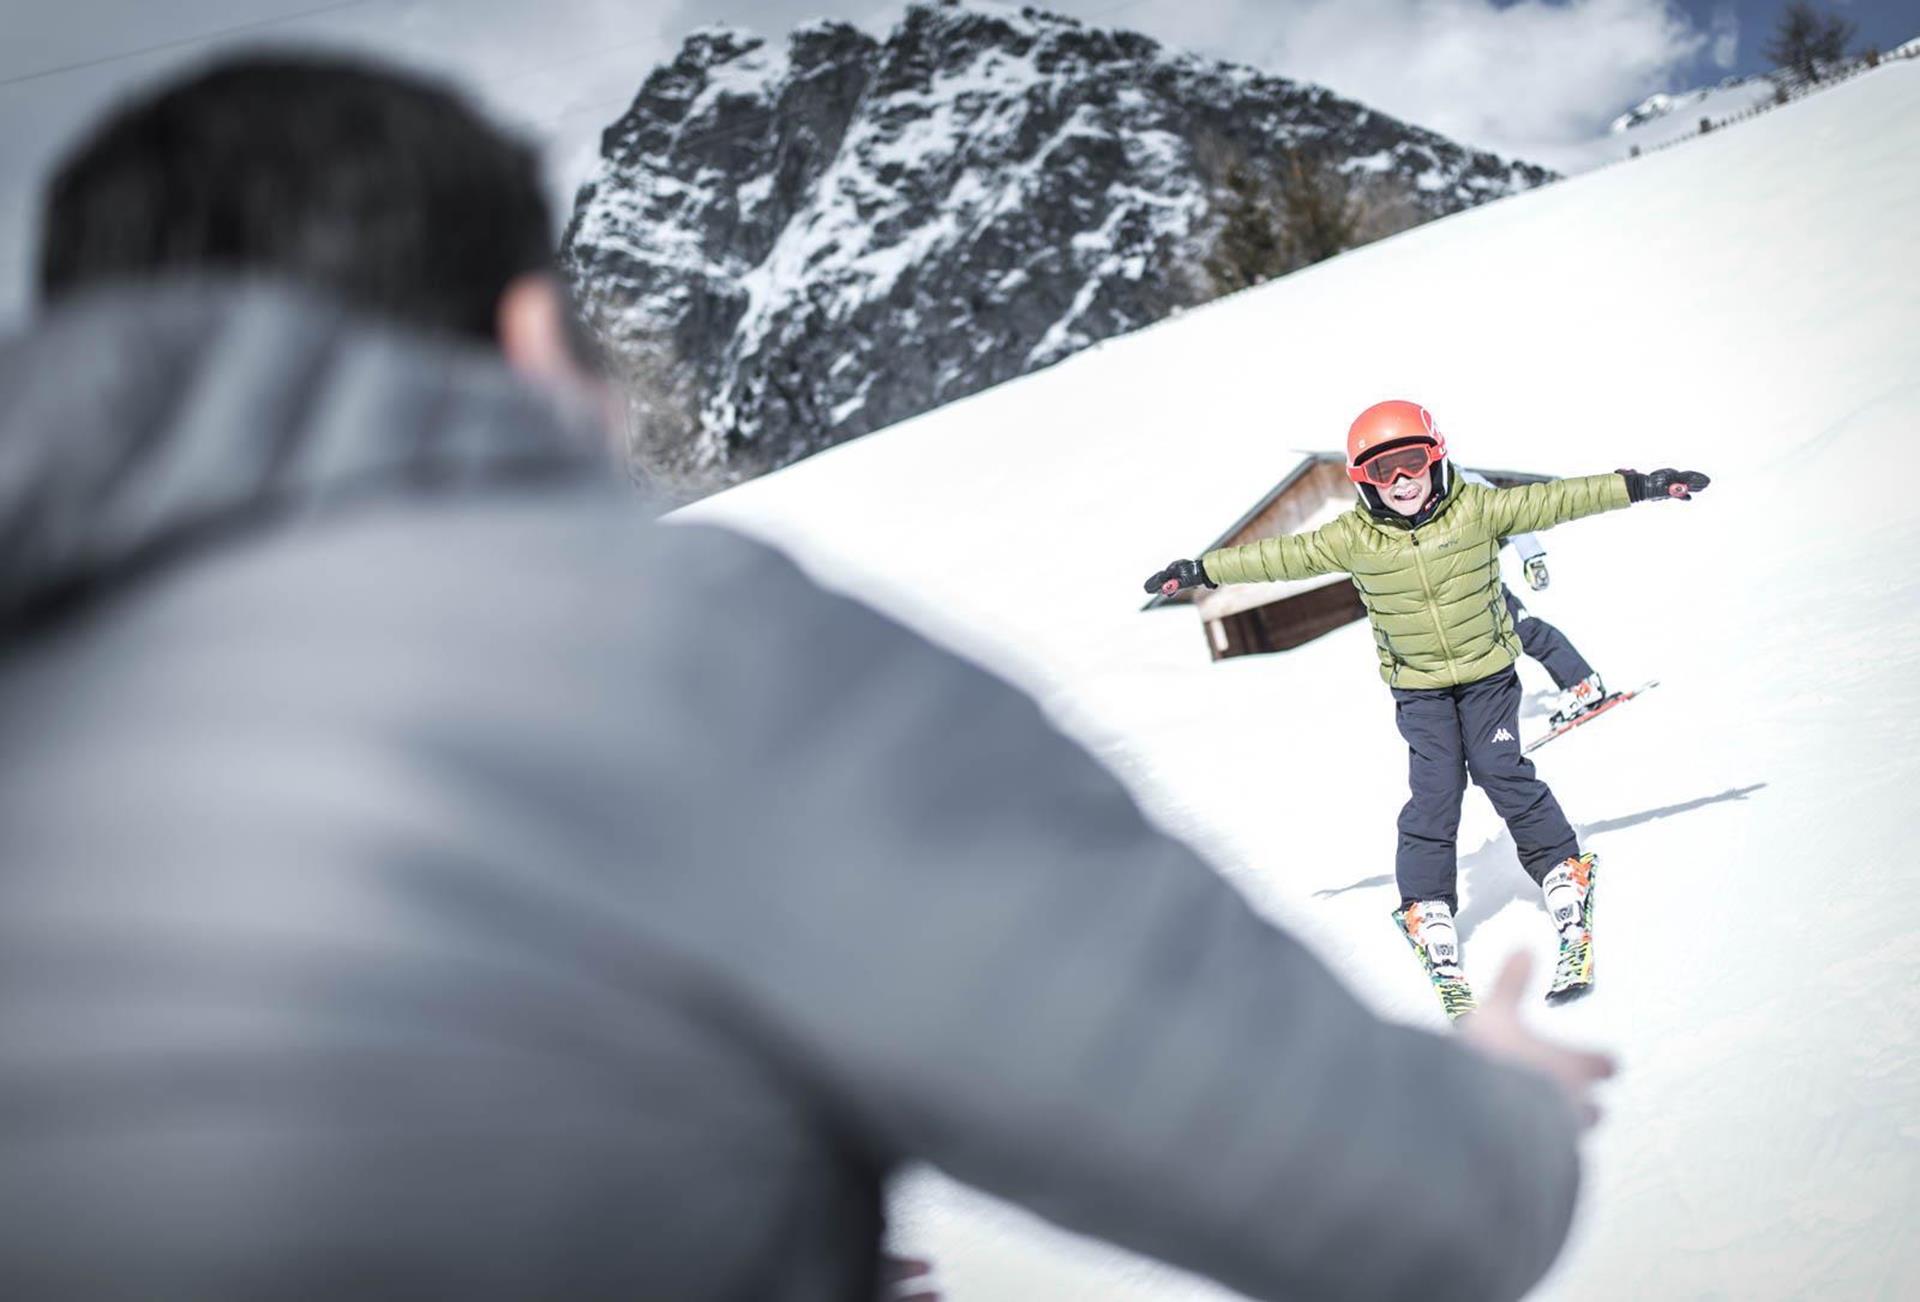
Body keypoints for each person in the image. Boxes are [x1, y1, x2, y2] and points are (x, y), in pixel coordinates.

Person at [2, 56, 1612, 1301]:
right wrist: (1503, 1117)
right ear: (516, 332)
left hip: (1471, 670)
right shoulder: (654, 643)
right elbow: (1385, 1192)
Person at [1148, 400, 1708, 1016]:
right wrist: (1201, 569)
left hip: (1489, 677)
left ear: (1436, 459)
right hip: (1418, 690)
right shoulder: (1352, 539)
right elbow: (1277, 556)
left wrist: (1642, 486)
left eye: (1410, 463)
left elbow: (1560, 499)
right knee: (1436, 786)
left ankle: (1559, 868)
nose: (1400, 482)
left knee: (1502, 771)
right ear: (1364, 483)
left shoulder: (1479, 509)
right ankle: (1426, 902)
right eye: (1381, 473)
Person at [1456, 468, 1608, 723]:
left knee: (1527, 631)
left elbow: (1511, 516)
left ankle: (1582, 684)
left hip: (1485, 588)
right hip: (1448, 606)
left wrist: (1532, 557)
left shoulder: (1465, 483)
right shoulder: (1405, 497)